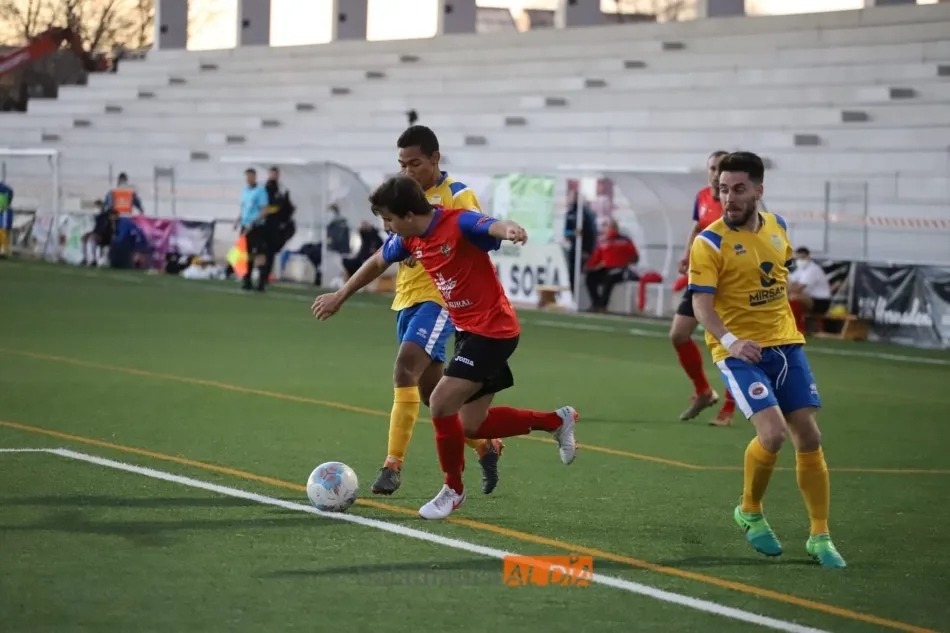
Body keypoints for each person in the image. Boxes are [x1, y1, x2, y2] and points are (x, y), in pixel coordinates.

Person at [312, 175, 579, 521]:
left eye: (389, 220)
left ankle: (453, 489)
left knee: (439, 401)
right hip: (469, 332)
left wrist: (511, 229)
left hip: (494, 331)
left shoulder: (457, 222)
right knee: (470, 424)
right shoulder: (411, 239)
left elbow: (493, 225)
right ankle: (557, 421)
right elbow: (377, 262)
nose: (386, 227)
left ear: (408, 215)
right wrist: (339, 296)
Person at [317, 125, 504, 497]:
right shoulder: (403, 196)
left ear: (435, 158)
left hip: (441, 300)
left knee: (404, 365)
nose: (407, 171)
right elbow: (382, 256)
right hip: (406, 299)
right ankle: (486, 445)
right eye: (402, 164)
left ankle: (392, 466)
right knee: (432, 395)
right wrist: (341, 294)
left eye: (414, 163)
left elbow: (479, 240)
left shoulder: (456, 197)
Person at [688, 151, 845, 569]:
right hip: (738, 351)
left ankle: (819, 535)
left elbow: (776, 278)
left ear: (759, 190)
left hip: (786, 345)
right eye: (723, 189)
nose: (729, 197)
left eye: (739, 189)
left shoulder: (779, 228)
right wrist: (732, 340)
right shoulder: (710, 242)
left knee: (809, 438)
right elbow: (701, 306)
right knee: (773, 434)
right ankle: (750, 510)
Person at [672, 150, 737, 426]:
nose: (714, 172)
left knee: (726, 341)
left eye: (720, 168)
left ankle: (730, 407)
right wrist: (687, 254)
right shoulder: (701, 196)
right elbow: (697, 227)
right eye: (712, 167)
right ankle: (703, 391)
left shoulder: (736, 202)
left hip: (727, 280)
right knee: (678, 334)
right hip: (701, 276)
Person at [583, 219, 639, 312]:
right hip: (606, 268)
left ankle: (602, 306)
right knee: (590, 278)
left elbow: (635, 257)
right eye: (608, 227)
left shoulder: (625, 240)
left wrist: (625, 262)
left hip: (620, 269)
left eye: (613, 227)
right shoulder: (602, 241)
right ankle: (596, 303)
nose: (610, 229)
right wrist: (589, 266)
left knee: (609, 279)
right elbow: (596, 258)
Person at [234, 168, 270, 292]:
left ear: (254, 177)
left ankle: (261, 281)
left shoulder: (260, 191)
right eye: (247, 176)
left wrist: (254, 222)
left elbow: (264, 209)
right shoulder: (245, 190)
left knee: (259, 253)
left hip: (256, 227)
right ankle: (247, 279)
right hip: (245, 225)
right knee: (245, 253)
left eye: (250, 176)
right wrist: (238, 220)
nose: (248, 178)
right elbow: (243, 207)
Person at [263, 166, 296, 284]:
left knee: (270, 252)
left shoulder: (281, 191)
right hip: (263, 226)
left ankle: (265, 276)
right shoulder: (264, 189)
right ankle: (256, 274)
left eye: (274, 174)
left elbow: (288, 208)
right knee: (261, 252)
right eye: (271, 174)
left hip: (275, 227)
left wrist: (283, 221)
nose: (273, 176)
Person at [788, 247, 832, 334]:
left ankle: (798, 327)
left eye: (803, 258)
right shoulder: (800, 270)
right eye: (798, 258)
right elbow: (789, 282)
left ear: (809, 257)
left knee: (793, 296)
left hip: (821, 302)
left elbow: (798, 289)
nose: (800, 260)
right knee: (789, 296)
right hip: (811, 299)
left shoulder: (813, 269)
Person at [563, 189, 597, 290]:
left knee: (586, 273)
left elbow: (592, 233)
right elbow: (566, 232)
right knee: (572, 273)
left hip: (585, 248)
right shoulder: (570, 213)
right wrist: (573, 234)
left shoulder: (588, 214)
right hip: (574, 248)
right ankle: (572, 294)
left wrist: (588, 250)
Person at [0, 179, 13, 258]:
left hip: (4, 211)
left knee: (3, 230)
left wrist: (8, 202)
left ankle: (4, 251)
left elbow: (10, 191)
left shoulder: (4, 190)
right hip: (2, 211)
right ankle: (3, 250)